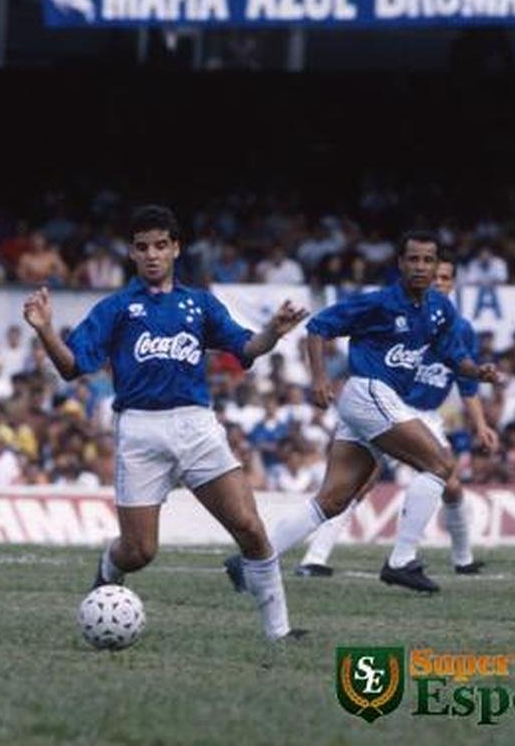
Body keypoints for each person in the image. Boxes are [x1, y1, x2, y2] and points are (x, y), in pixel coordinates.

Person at [24, 206, 308, 644]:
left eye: (161, 245)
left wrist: (273, 331)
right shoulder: (116, 308)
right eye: (142, 247)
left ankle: (280, 632)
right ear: (131, 253)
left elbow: (246, 347)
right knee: (139, 552)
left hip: (197, 427)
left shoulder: (201, 304)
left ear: (176, 248)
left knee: (250, 528)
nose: (152, 254)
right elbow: (71, 367)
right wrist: (45, 331)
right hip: (139, 431)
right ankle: (110, 566)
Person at [232, 231, 499, 595]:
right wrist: (320, 379)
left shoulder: (439, 310)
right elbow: (317, 328)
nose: (421, 267)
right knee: (440, 466)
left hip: (374, 403)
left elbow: (453, 356)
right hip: (369, 391)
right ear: (401, 263)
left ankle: (250, 562)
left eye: (428, 260)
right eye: (414, 260)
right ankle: (401, 561)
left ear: (436, 265)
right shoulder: (379, 303)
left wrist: (477, 371)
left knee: (333, 500)